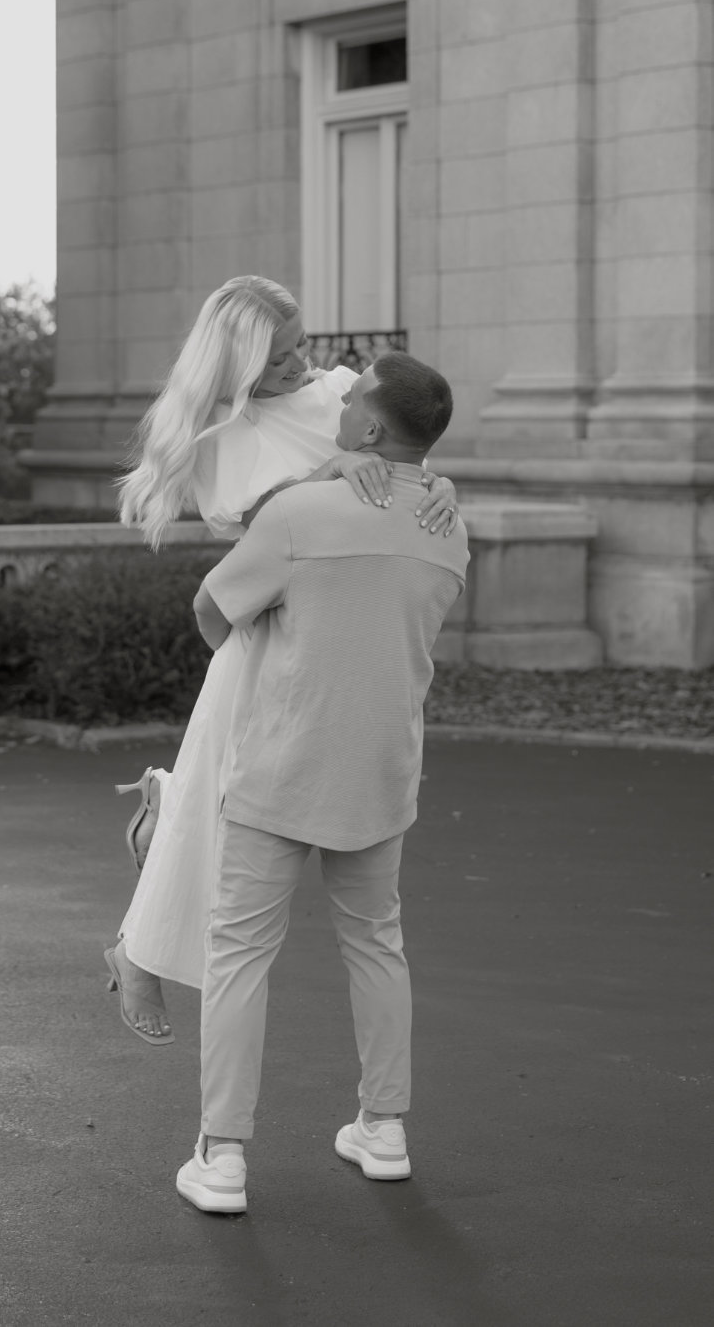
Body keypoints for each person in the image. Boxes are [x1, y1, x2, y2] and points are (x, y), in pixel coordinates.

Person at [103, 277, 460, 1045]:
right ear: (235, 367)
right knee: (215, 813)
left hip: (341, 636)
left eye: (302, 343)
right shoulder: (219, 440)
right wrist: (327, 473)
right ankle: (138, 954)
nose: (303, 365)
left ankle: (161, 811)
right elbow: (277, 531)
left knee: (218, 803)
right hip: (265, 631)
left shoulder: (338, 394)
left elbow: (402, 459)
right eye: (279, 357)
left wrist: (438, 484)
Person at [175, 352, 468, 1215]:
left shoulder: (301, 513)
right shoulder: (450, 523)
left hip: (280, 769)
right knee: (375, 943)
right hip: (380, 772)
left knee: (237, 957)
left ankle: (221, 1155)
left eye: (352, 401)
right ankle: (383, 1130)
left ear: (371, 428)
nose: (336, 407)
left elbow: (210, 611)